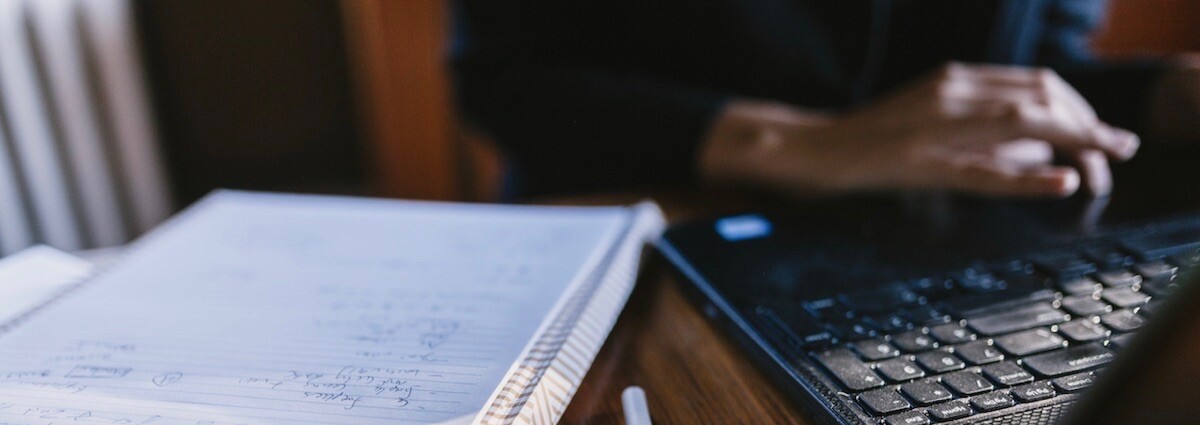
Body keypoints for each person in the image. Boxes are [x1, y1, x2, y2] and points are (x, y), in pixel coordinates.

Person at [451, 0, 1200, 200]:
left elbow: (1030, 69)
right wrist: (789, 145)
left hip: (925, 255)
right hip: (636, 228)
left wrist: (1162, 98)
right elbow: (507, 79)